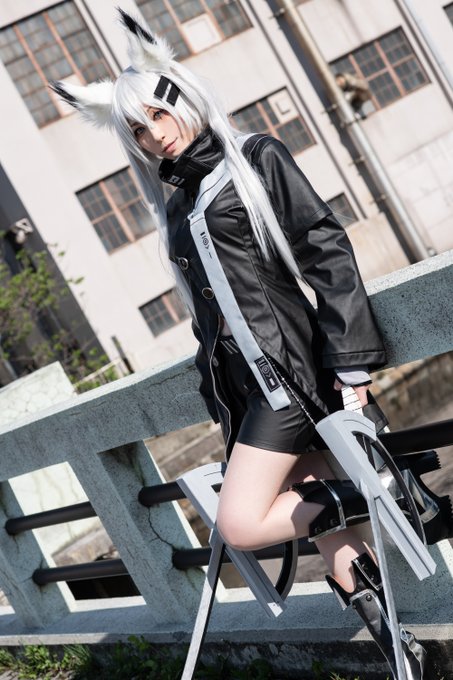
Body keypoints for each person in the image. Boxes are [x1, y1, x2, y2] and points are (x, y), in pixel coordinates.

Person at [50, 10, 446, 679]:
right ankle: (398, 649)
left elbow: (324, 249)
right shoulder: (177, 205)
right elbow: (208, 314)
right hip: (245, 388)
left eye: (157, 116)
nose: (154, 136)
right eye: (138, 130)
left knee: (238, 523)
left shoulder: (255, 157)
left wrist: (351, 363)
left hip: (288, 377)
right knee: (321, 518)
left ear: (183, 98)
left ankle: (385, 490)